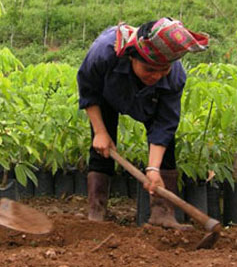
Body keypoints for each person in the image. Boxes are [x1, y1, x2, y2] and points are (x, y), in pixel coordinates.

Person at [77, 17, 209, 229]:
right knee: (102, 148)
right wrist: (100, 131)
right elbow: (88, 88)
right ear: (132, 58)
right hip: (107, 95)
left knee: (166, 149)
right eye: (149, 70)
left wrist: (153, 169)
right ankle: (96, 213)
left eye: (163, 70)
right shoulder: (104, 53)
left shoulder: (173, 76)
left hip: (151, 100)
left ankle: (162, 215)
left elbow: (165, 124)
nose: (156, 76)